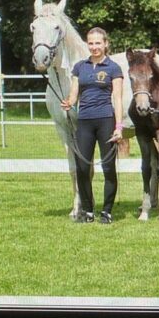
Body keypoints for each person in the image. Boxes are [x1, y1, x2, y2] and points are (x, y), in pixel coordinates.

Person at [60, 27, 125, 224]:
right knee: (82, 167)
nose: (94, 47)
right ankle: (88, 211)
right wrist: (69, 102)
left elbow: (118, 98)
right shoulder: (80, 67)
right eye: (91, 43)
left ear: (105, 44)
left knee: (108, 168)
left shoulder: (113, 68)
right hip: (85, 122)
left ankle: (107, 211)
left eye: (98, 43)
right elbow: (74, 94)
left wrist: (119, 126)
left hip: (106, 120)